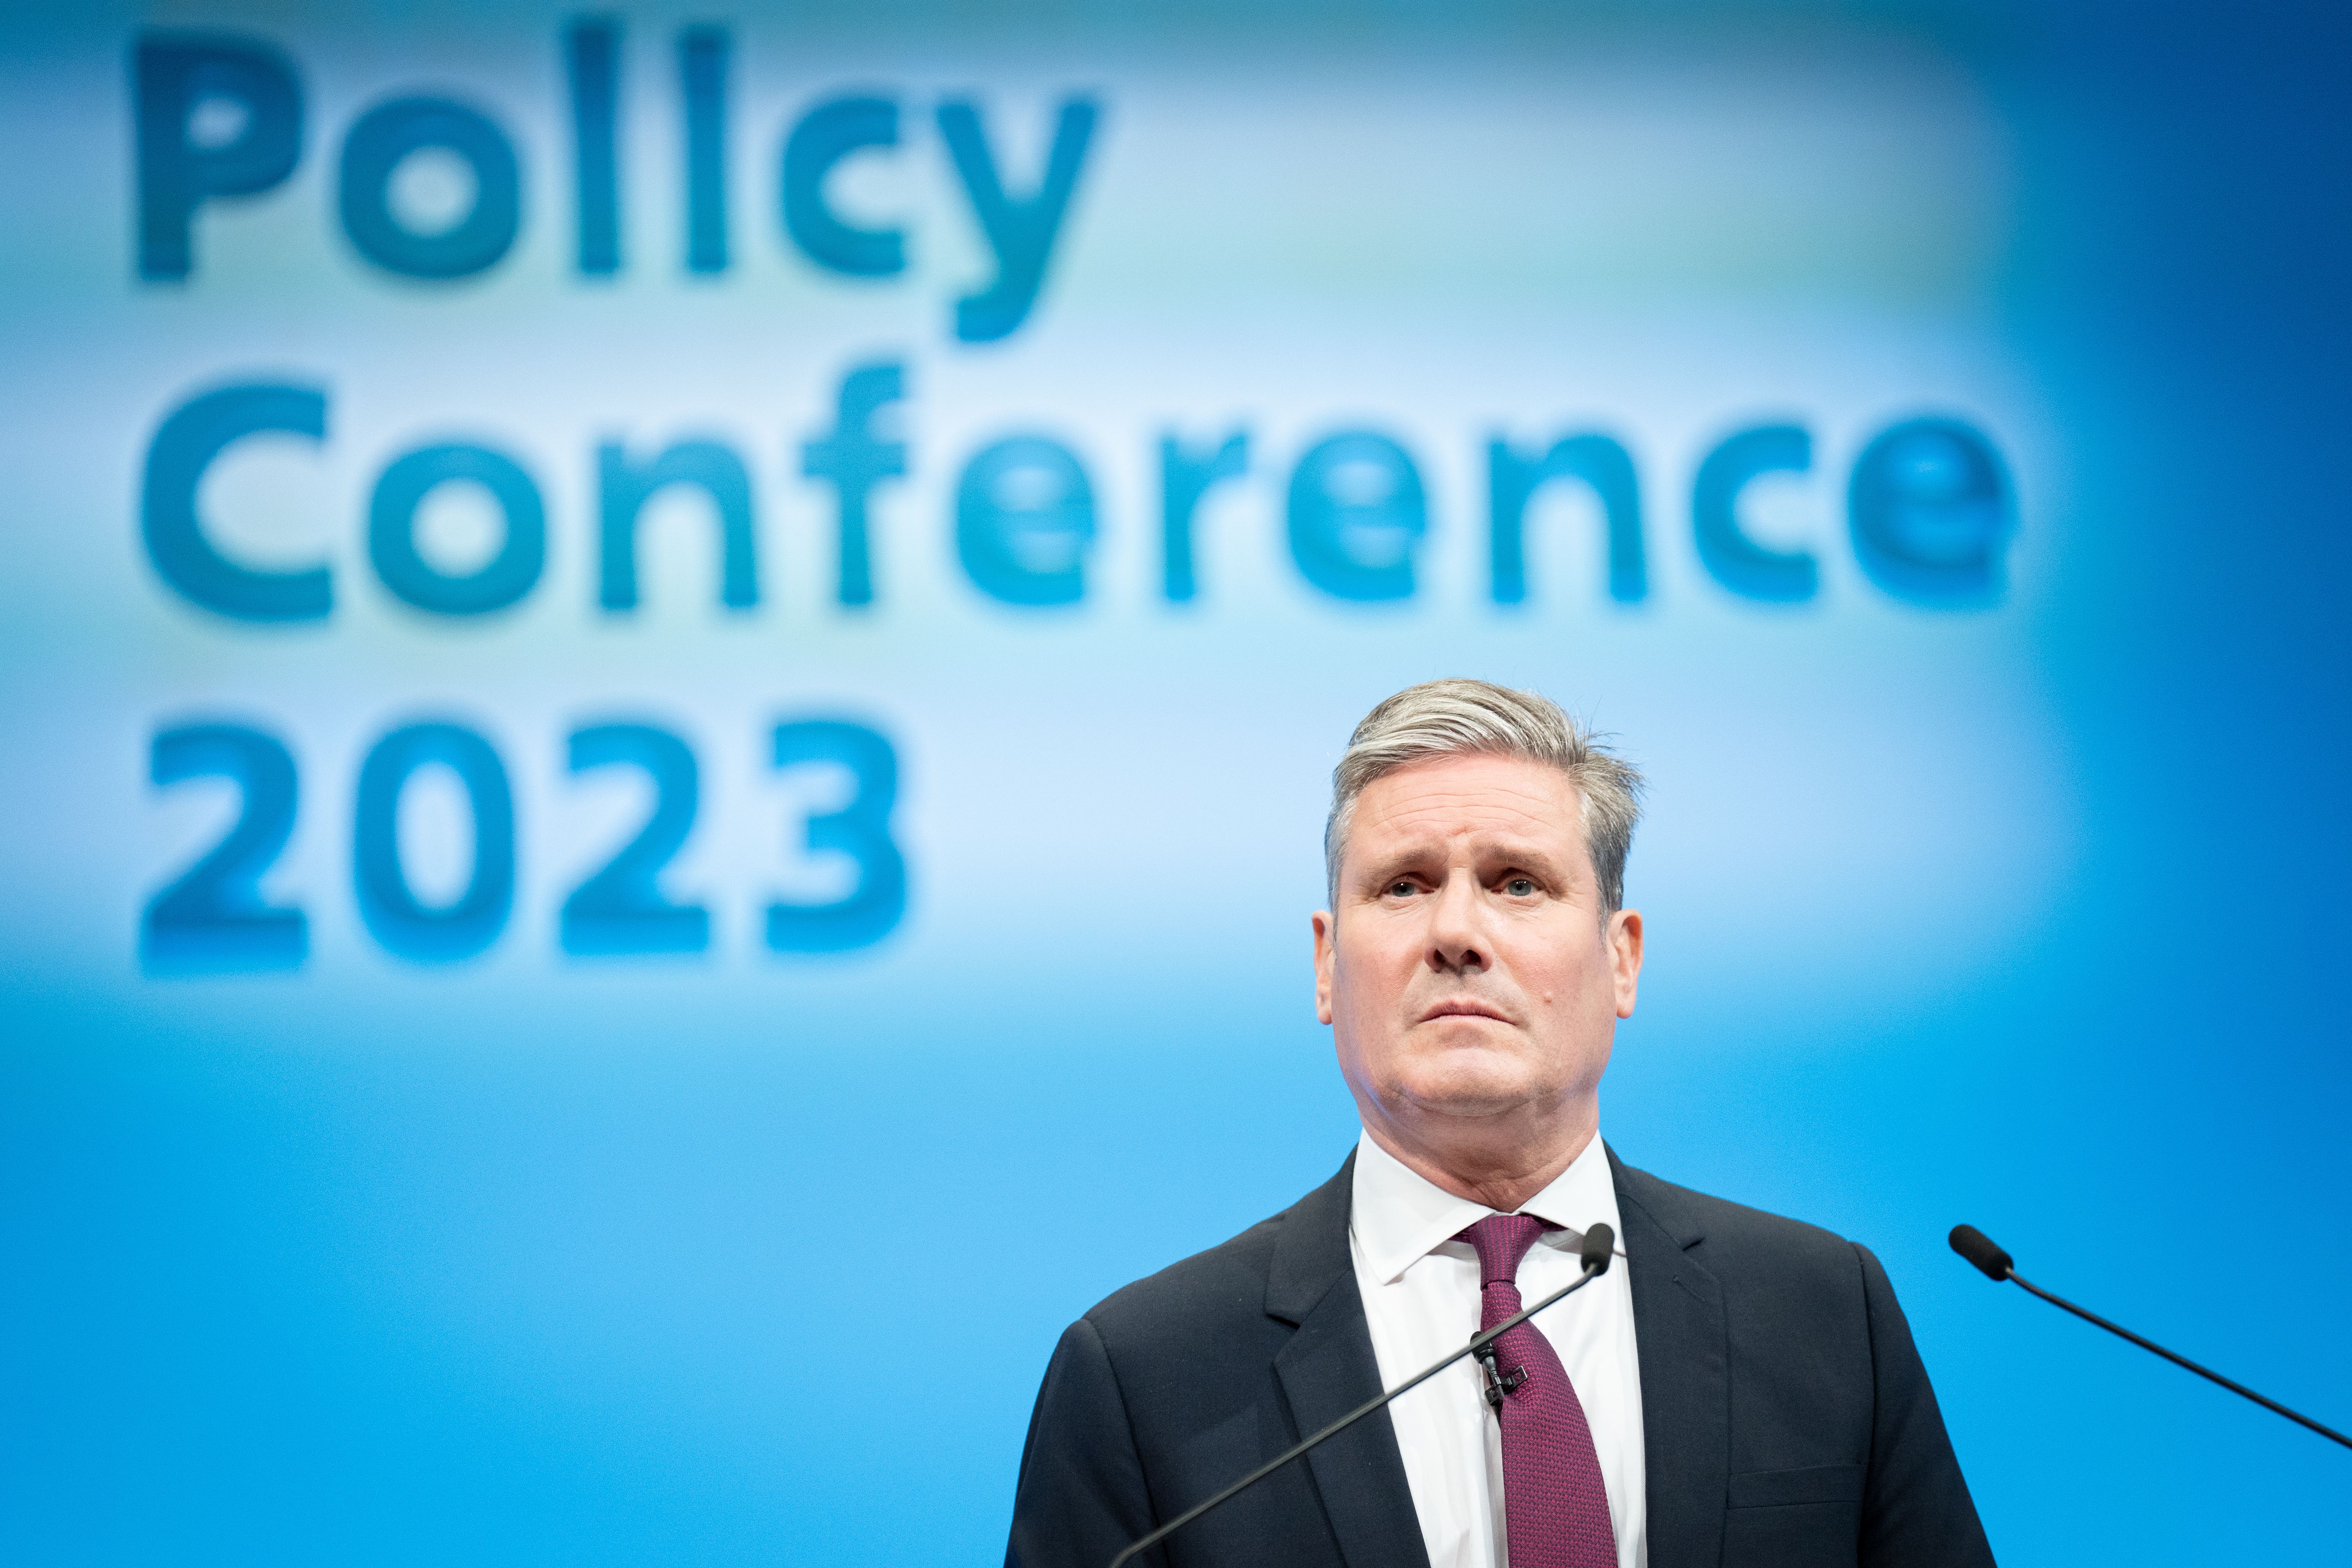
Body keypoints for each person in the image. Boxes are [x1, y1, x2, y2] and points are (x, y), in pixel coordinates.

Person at [1003, 679, 1995, 1568]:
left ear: (1621, 957)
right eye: (1403, 885)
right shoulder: (1145, 1372)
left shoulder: (1822, 1311)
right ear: (1323, 964)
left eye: (1518, 881)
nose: (1455, 933)